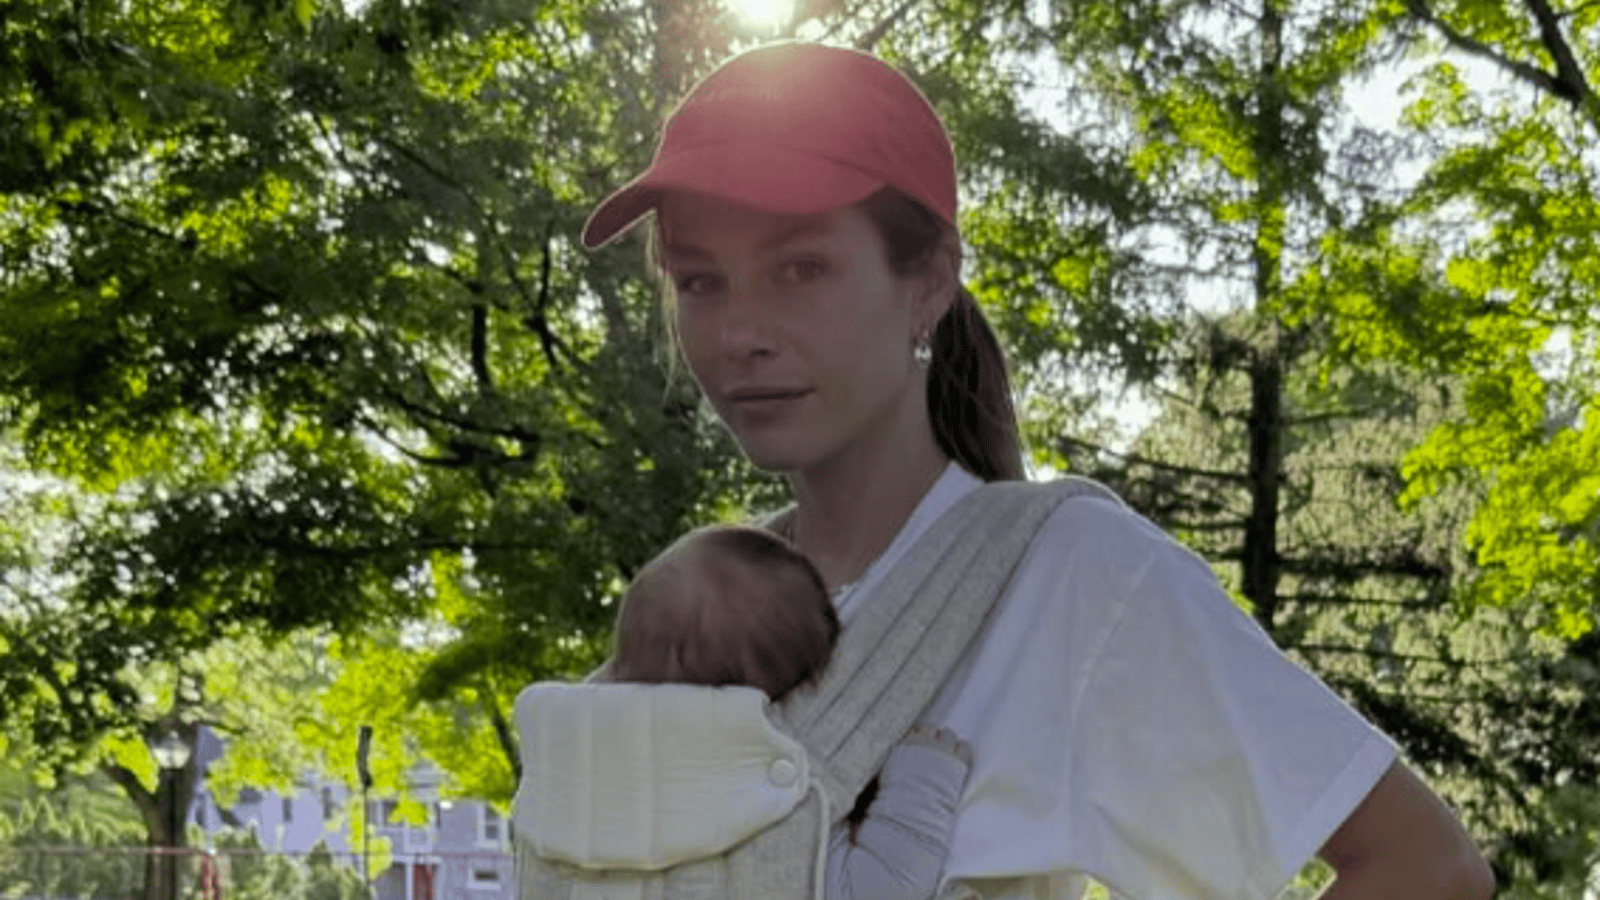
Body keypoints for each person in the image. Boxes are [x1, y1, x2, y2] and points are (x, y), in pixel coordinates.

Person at [580, 40, 1497, 900]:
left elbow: (1425, 867)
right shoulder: (712, 603)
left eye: (802, 269)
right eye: (701, 282)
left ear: (930, 280)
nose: (741, 334)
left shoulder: (1070, 576)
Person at [605, 522, 978, 900]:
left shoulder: (582, 780)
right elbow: (878, 890)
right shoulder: (763, 804)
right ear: (779, 706)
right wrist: (922, 780)